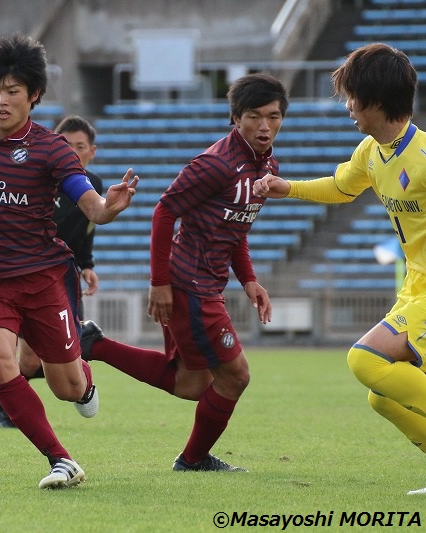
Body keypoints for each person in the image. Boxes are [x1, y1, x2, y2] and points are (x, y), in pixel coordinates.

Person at [0, 33, 138, 489]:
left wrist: (109, 207)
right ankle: (61, 460)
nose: (0, 99)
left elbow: (91, 206)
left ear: (33, 96)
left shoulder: (51, 149)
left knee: (67, 388)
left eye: (12, 91)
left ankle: (85, 375)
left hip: (40, 279)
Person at [82, 73, 287, 472]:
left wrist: (248, 279)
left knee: (191, 383)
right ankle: (192, 460)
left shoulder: (266, 165)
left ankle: (97, 346)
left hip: (204, 283)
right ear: (236, 118)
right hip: (190, 285)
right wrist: (159, 283)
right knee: (235, 377)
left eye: (274, 116)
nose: (265, 126)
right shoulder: (217, 163)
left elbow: (235, 228)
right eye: (255, 116)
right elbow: (164, 211)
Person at [253, 43, 426, 495]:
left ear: (375, 99)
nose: (347, 106)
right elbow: (340, 187)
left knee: (365, 359)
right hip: (414, 287)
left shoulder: (424, 157)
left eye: (352, 97)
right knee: (383, 395)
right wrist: (285, 188)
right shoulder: (371, 152)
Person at [0, 115, 104, 429]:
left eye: (79, 146)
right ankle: (8, 403)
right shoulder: (36, 177)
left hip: (64, 272)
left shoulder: (92, 185)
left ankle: (79, 351)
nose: (72, 151)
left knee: (44, 359)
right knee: (28, 360)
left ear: (91, 151)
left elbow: (88, 227)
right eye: (65, 144)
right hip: (30, 270)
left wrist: (88, 264)